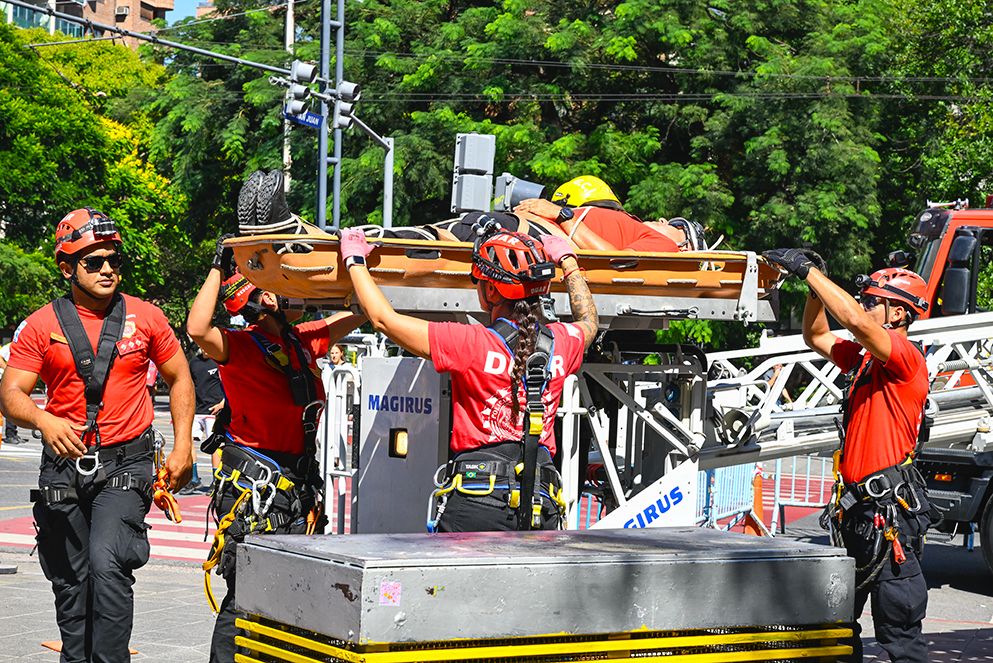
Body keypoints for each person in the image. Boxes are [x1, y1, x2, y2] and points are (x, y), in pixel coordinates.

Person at [0, 207, 194, 663]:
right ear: (67, 267)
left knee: (108, 566)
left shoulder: (147, 317)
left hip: (126, 464)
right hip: (63, 467)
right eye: (94, 261)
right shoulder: (41, 325)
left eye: (114, 260)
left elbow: (180, 377)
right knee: (71, 582)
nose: (107, 269)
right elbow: (10, 393)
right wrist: (44, 421)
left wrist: (183, 444)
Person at [339, 224, 598, 531]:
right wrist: (568, 261)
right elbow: (589, 322)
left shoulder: (470, 343)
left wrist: (355, 260)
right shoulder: (563, 342)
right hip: (540, 504)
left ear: (491, 291)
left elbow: (384, 320)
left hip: (478, 502)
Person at [187, 236, 365, 663]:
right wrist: (218, 267)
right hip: (257, 491)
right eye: (288, 286)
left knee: (285, 597)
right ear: (267, 298)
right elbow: (197, 329)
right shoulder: (241, 347)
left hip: (295, 487)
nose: (298, 295)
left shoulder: (302, 342)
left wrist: (351, 263)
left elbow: (361, 312)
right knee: (245, 597)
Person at [763, 248, 935, 663]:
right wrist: (815, 291)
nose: (864, 306)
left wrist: (810, 273)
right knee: (836, 632)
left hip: (888, 520)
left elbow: (856, 322)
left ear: (898, 314)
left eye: (873, 300)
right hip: (858, 516)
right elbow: (816, 336)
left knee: (900, 635)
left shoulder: (906, 359)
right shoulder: (864, 360)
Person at [514, 175, 700, 252]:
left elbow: (613, 261)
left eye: (678, 227)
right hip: (525, 226)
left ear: (683, 249)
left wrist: (561, 214)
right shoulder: (632, 229)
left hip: (531, 234)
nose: (663, 220)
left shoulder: (666, 246)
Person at [185, 344, 226, 493]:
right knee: (187, 442)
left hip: (213, 411)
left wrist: (222, 404)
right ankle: (194, 478)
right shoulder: (194, 363)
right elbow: (188, 385)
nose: (205, 348)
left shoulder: (218, 362)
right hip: (197, 410)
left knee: (214, 446)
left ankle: (216, 480)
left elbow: (228, 384)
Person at [0, 342, 23, 445]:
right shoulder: (11, 346)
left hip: (13, 379)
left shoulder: (24, 346)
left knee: (13, 405)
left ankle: (12, 433)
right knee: (10, 405)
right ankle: (10, 435)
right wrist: (7, 370)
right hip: (4, 379)